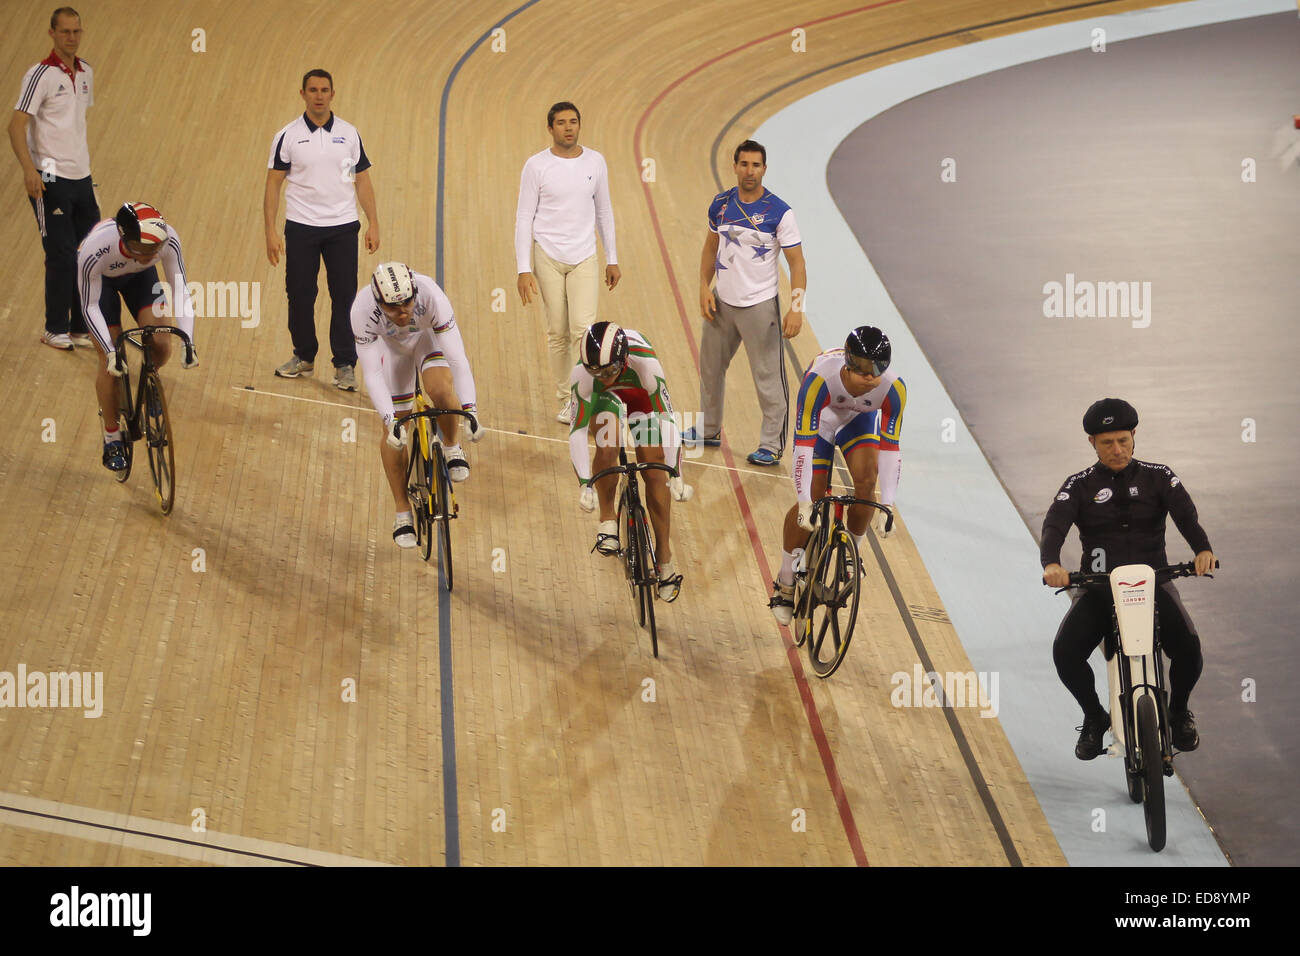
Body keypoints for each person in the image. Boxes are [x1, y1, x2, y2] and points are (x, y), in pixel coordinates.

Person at [1041, 398, 1215, 759]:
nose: (1117, 450)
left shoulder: (1159, 475)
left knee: (1190, 651)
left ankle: (1178, 711)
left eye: (1123, 440)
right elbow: (1054, 524)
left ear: (1134, 435)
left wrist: (1202, 549)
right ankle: (1094, 717)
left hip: (1153, 584)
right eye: (1107, 443)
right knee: (1065, 653)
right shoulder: (1078, 484)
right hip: (1099, 588)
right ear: (1092, 443)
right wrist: (1051, 563)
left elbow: (1186, 515)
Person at [768, 327, 904, 623]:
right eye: (865, 370)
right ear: (849, 364)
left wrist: (889, 505)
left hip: (859, 420)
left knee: (867, 481)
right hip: (823, 418)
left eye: (878, 369)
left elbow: (890, 449)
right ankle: (785, 580)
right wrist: (804, 501)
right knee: (816, 495)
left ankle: (851, 553)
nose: (871, 378)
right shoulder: (820, 379)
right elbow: (803, 446)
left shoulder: (893, 388)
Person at [688, 139, 806, 466]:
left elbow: (797, 264)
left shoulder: (780, 212)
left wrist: (796, 307)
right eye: (744, 164)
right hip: (722, 304)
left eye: (756, 165)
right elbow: (710, 248)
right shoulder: (721, 204)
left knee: (768, 377)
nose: (749, 171)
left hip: (759, 307)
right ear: (735, 165)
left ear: (764, 169)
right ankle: (709, 429)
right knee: (710, 369)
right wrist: (703, 287)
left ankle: (771, 445)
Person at [264, 68, 379, 391]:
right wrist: (270, 231)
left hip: (343, 228)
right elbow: (273, 185)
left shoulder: (349, 133)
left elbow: (363, 179)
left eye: (324, 90)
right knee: (300, 295)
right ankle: (304, 355)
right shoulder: (286, 136)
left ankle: (344, 363)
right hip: (301, 228)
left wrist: (373, 223)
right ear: (303, 94)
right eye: (312, 90)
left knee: (344, 296)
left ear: (332, 94)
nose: (318, 95)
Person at [354, 262, 482, 549]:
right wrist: (390, 421)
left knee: (439, 388)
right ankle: (402, 512)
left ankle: (451, 445)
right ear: (378, 302)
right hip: (391, 349)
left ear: (415, 292)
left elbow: (459, 361)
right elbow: (372, 374)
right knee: (396, 433)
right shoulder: (362, 312)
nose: (403, 313)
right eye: (393, 308)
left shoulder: (432, 297)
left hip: (426, 339)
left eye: (408, 304)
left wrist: (471, 411)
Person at [514, 101, 620, 426]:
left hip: (585, 256)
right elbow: (523, 217)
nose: (568, 128)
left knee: (583, 332)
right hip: (547, 255)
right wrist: (523, 268)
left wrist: (612, 258)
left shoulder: (595, 162)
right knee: (557, 332)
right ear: (550, 128)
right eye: (561, 123)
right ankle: (565, 400)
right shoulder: (536, 166)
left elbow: (604, 211)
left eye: (573, 122)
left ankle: (582, 397)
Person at [569, 322, 692, 601]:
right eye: (596, 371)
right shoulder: (584, 374)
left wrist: (676, 474)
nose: (605, 376)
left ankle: (664, 557)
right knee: (608, 439)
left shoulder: (646, 366)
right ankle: (607, 520)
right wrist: (585, 484)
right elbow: (577, 432)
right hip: (604, 400)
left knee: (654, 467)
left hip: (639, 397)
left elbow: (669, 421)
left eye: (610, 371)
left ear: (623, 361)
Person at [77, 202, 199, 471]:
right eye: (145, 249)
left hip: (141, 279)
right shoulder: (95, 250)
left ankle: (149, 382)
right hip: (103, 288)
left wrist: (188, 339)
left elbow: (180, 290)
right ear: (124, 238)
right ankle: (111, 437)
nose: (153, 254)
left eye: (156, 249)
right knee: (111, 364)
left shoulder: (165, 242)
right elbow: (89, 306)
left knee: (162, 345)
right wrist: (110, 351)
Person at [9, 7, 99, 351]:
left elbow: (73, 126)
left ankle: (78, 328)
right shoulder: (40, 74)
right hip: (50, 175)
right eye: (65, 32)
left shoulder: (86, 71)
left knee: (86, 252)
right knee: (61, 252)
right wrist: (30, 170)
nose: (72, 38)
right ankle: (53, 328)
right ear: (52, 33)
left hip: (82, 176)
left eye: (77, 31)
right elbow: (16, 125)